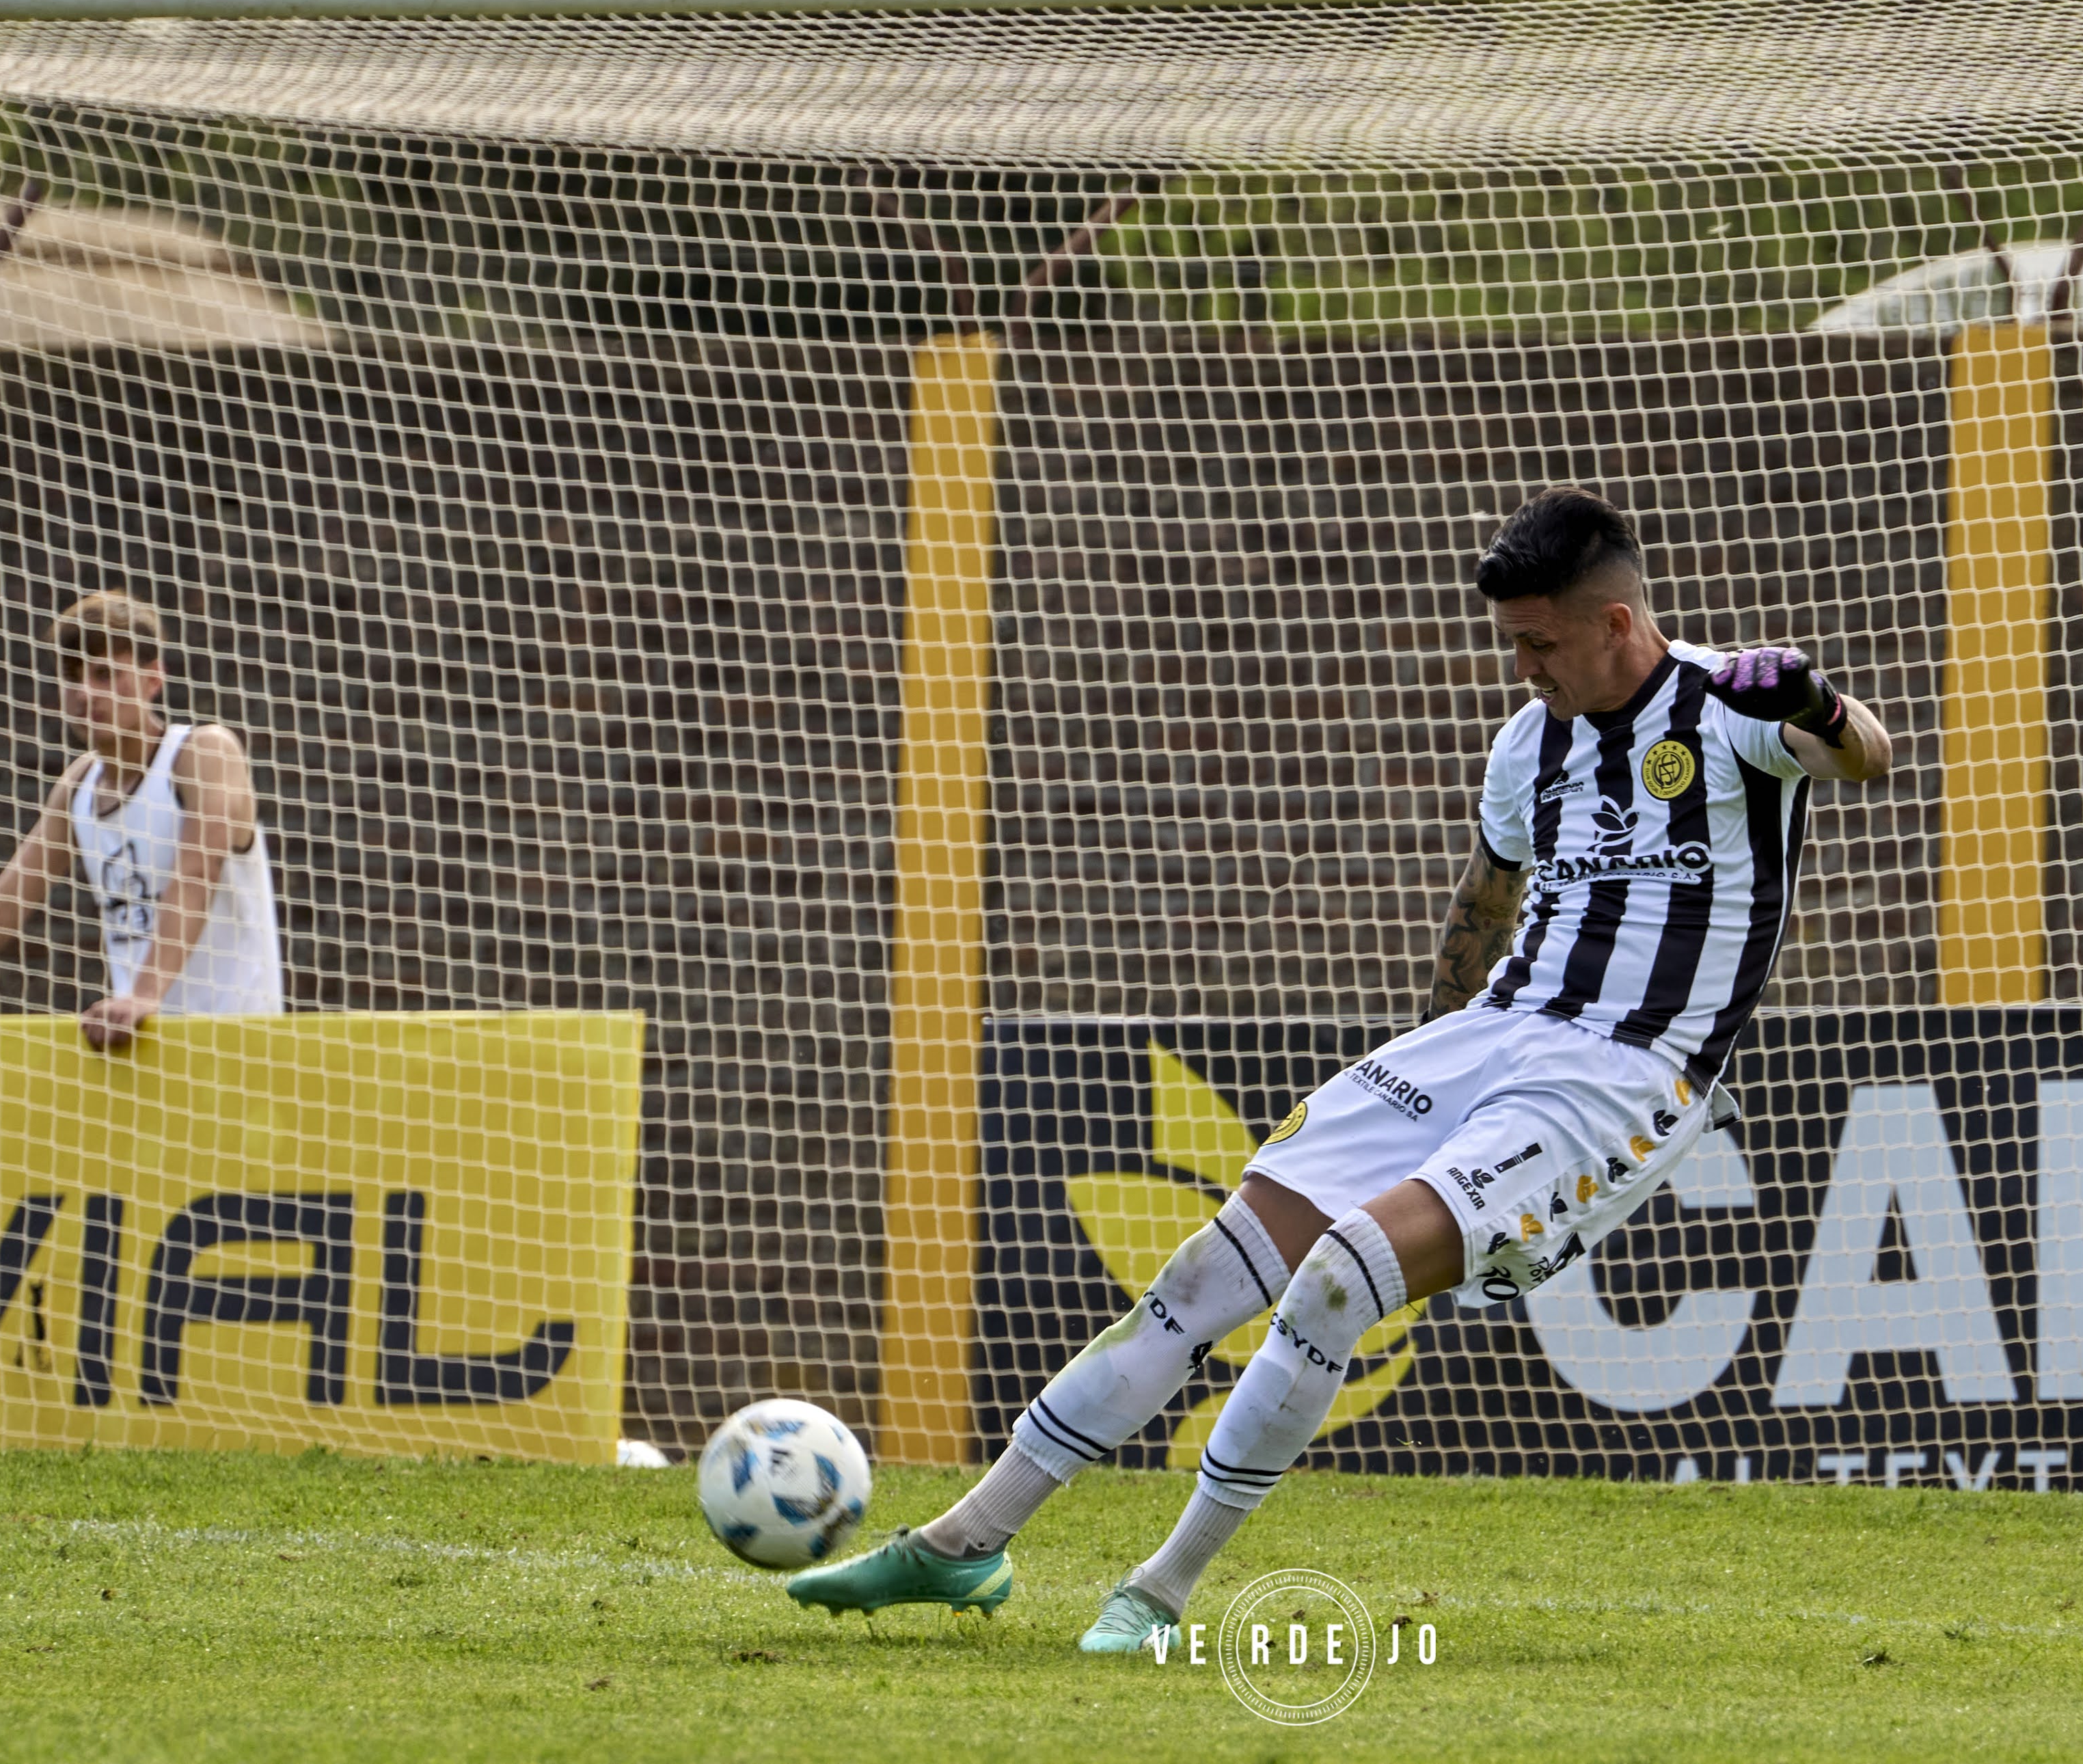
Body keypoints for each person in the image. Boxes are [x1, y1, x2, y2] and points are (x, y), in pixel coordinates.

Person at [787, 487, 1892, 1644]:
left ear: (1617, 623)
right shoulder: (1531, 742)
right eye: (1512, 642)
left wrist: (1818, 696)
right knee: (1205, 1275)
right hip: (1487, 1040)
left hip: (1622, 1074)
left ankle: (1155, 1592)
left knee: (1338, 1275)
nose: (1524, 666)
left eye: (1541, 642)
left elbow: (1865, 756)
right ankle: (961, 1544)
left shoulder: (1734, 706)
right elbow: (1488, 903)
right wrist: (1429, 1064)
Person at [0, 591, 283, 1044]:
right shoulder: (79, 785)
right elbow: (6, 899)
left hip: (240, 1048)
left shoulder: (203, 753)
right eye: (73, 677)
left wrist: (143, 996)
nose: (86, 693)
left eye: (105, 674)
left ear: (153, 680)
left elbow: (194, 875)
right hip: (141, 1053)